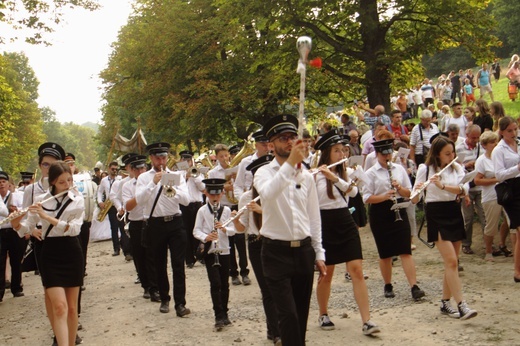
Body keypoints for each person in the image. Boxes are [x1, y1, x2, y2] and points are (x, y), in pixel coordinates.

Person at [253, 114, 326, 346]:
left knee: (301, 314)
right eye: (283, 138)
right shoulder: (263, 173)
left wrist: (319, 252)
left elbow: (314, 217)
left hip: (303, 251)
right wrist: (289, 165)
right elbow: (267, 195)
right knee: (288, 314)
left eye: (293, 137)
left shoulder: (307, 177)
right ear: (271, 144)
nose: (289, 142)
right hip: (275, 252)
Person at [313, 130, 380, 335]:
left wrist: (334, 177)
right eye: (336, 151)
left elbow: (353, 192)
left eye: (343, 150)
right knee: (327, 273)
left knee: (356, 270)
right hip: (324, 222)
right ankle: (323, 313)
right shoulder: (314, 177)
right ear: (326, 153)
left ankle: (367, 320)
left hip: (344, 220)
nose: (341, 154)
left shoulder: (346, 173)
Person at [12, 161, 85, 345]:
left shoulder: (77, 199)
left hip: (71, 251)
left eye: (69, 180)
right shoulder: (42, 201)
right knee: (59, 307)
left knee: (71, 307)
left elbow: (74, 229)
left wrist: (46, 217)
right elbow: (25, 229)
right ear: (52, 182)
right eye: (62, 182)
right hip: (50, 253)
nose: (67, 185)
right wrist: (16, 222)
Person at [411, 136, 478, 320]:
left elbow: (463, 189)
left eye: (452, 152)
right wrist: (417, 190)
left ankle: (444, 302)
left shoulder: (457, 168)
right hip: (436, 213)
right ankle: (462, 304)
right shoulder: (425, 169)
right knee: (451, 261)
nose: (451, 156)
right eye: (447, 154)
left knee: (453, 262)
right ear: (437, 154)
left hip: (453, 212)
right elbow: (414, 199)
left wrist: (442, 185)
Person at [363, 138, 425, 300]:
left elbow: (409, 193)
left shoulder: (398, 169)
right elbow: (367, 197)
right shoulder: (370, 173)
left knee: (405, 249)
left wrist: (399, 188)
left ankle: (414, 286)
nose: (387, 157)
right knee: (385, 253)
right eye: (384, 154)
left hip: (399, 208)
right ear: (377, 155)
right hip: (380, 212)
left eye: (389, 153)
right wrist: (383, 196)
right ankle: (388, 284)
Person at [135, 142, 191, 315]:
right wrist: (153, 182)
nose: (161, 161)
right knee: (159, 264)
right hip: (156, 224)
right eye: (157, 157)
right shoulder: (143, 178)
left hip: (175, 222)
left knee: (178, 265)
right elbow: (140, 200)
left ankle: (180, 304)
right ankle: (165, 299)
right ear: (151, 158)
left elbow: (186, 200)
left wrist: (171, 187)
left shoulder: (177, 176)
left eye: (164, 157)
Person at [236, 154, 281, 344]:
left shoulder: (278, 195)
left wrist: (263, 210)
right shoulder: (246, 197)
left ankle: (275, 329)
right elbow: (240, 229)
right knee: (267, 289)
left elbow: (283, 219)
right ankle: (276, 332)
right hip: (256, 243)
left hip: (276, 241)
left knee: (280, 287)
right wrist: (237, 217)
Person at [193, 178, 240, 330]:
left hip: (224, 250)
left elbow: (234, 230)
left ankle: (225, 313)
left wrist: (225, 229)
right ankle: (218, 315)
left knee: (225, 283)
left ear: (222, 193)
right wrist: (206, 237)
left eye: (217, 194)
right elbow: (196, 230)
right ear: (206, 193)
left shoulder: (226, 211)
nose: (214, 197)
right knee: (215, 283)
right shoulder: (202, 210)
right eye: (211, 194)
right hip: (210, 251)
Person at [209, 144, 250, 286]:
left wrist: (237, 184)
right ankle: (233, 273)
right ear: (217, 157)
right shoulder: (214, 172)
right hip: (224, 208)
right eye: (221, 156)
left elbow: (244, 185)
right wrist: (224, 187)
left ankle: (244, 271)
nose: (225, 159)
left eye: (226, 155)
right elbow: (211, 190)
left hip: (236, 205)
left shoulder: (237, 169)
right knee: (229, 241)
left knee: (240, 239)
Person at [122, 154, 160, 302]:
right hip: (136, 223)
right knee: (140, 256)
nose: (141, 171)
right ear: (131, 170)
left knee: (153, 255)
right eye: (137, 169)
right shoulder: (127, 186)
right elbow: (128, 206)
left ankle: (155, 287)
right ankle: (146, 285)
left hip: (151, 221)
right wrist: (142, 194)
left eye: (143, 168)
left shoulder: (154, 181)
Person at [474, 131, 513, 261]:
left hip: (507, 194)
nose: (495, 144)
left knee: (512, 223)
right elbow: (477, 181)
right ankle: (489, 251)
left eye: (496, 141)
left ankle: (504, 245)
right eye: (492, 142)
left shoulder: (502, 156)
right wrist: (496, 179)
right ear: (484, 145)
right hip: (491, 196)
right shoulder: (482, 160)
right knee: (491, 225)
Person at [493, 117, 520, 283]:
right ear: (502, 132)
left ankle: (518, 268)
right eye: (509, 130)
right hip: (511, 189)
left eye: (515, 129)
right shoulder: (499, 150)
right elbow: (499, 175)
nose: (513, 133)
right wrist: (517, 168)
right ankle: (517, 270)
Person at [456, 125, 485, 255]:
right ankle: (466, 244)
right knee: (468, 218)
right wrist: (465, 165)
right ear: (467, 135)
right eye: (473, 137)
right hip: (466, 187)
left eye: (478, 137)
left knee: (484, 216)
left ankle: (488, 244)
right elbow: (454, 166)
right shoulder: (459, 148)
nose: (476, 140)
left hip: (479, 185)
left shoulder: (481, 147)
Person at [177, 150, 205, 269]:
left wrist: (195, 176)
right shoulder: (177, 174)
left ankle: (200, 255)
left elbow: (203, 188)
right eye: (184, 160)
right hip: (184, 206)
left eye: (188, 160)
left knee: (198, 230)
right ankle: (189, 259)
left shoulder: (198, 173)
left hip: (196, 204)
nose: (187, 162)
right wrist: (185, 176)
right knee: (186, 232)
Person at [0, 171, 25, 301]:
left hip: (14, 231)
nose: (1, 184)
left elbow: (24, 210)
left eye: (3, 182)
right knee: (1, 262)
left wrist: (17, 211)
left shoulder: (17, 196)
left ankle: (17, 288)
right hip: (1, 232)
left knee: (16, 260)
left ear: (9, 184)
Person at [97, 161, 126, 257]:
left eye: (116, 169)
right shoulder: (104, 180)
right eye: (113, 169)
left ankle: (125, 247)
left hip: (119, 205)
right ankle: (116, 249)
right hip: (109, 206)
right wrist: (100, 201)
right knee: (113, 228)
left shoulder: (120, 179)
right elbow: (99, 192)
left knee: (122, 227)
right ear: (109, 169)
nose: (114, 171)